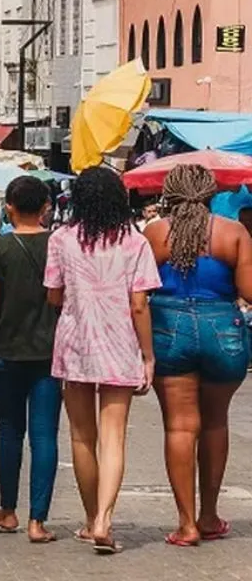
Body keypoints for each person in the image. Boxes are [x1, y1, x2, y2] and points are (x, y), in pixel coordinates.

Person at [44, 167, 159, 554]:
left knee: (81, 436)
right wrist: (148, 356)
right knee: (114, 438)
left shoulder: (61, 239)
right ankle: (105, 521)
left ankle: (91, 517)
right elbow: (140, 304)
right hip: (120, 344)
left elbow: (54, 297)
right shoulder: (134, 242)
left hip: (75, 343)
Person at [143, 164, 252, 546]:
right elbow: (249, 291)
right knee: (216, 422)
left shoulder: (155, 233)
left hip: (168, 327)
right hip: (222, 327)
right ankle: (209, 516)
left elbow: (138, 291)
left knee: (179, 426)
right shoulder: (233, 232)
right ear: (210, 194)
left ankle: (186, 524)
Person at [0, 176, 61, 543]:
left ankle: (7, 510)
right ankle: (38, 522)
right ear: (46, 208)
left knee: (9, 432)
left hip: (6, 350)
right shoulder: (58, 245)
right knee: (44, 435)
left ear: (8, 207)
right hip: (50, 351)